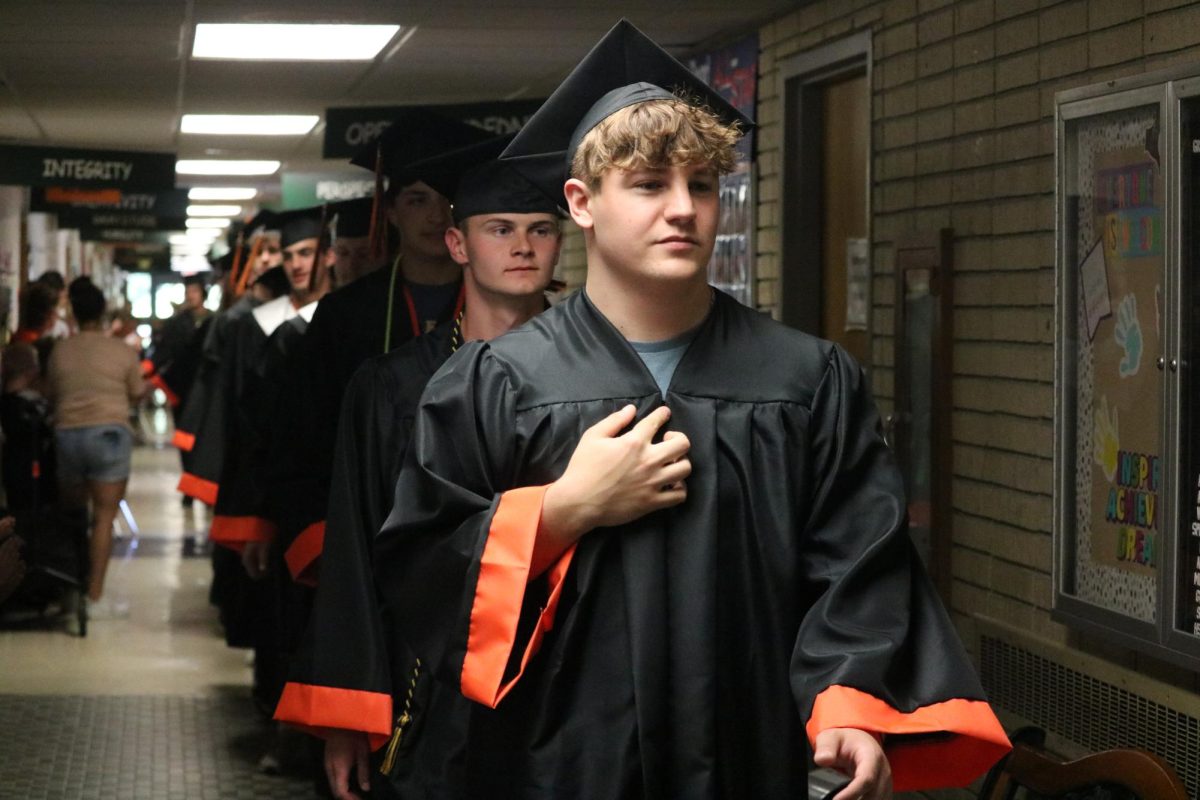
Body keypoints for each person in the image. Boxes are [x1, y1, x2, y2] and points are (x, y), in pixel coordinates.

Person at [372, 20, 1010, 799]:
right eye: (648, 184)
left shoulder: (805, 380)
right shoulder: (495, 382)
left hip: (751, 756)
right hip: (556, 766)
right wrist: (564, 509)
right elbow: (420, 571)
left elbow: (860, 567)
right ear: (581, 202)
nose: (683, 209)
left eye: (702, 185)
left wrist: (847, 708)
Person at [273, 140, 571, 799]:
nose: (522, 246)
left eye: (541, 229)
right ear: (460, 244)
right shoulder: (390, 386)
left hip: (570, 684)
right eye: (501, 229)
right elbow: (356, 554)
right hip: (428, 685)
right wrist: (350, 712)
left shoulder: (602, 377)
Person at [274, 114, 493, 584]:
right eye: (418, 200)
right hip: (366, 531)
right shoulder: (345, 315)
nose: (437, 216)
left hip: (482, 535)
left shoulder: (504, 308)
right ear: (389, 212)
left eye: (449, 201)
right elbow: (304, 432)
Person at [45, 278, 148, 616]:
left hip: (69, 436)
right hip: (110, 435)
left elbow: (50, 394)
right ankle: (95, 591)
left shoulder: (62, 349)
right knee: (104, 517)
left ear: (72, 312)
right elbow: (135, 392)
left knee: (73, 516)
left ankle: (70, 585)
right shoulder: (121, 351)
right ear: (104, 313)